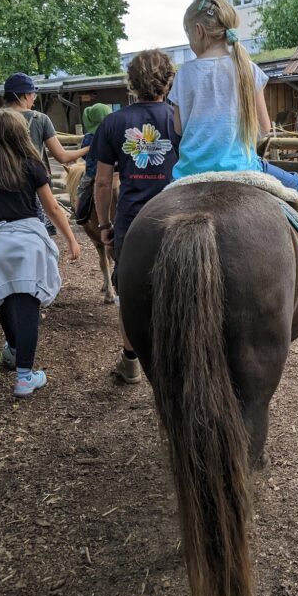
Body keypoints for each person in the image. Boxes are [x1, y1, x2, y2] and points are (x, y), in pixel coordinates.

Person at [171, 0, 298, 276]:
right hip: (242, 168)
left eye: (188, 34)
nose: (190, 41)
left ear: (199, 31)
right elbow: (265, 127)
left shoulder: (184, 73)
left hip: (190, 173)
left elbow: (178, 129)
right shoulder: (246, 69)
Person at [0, 109, 81, 397]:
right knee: (28, 306)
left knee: (5, 299)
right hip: (29, 242)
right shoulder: (32, 166)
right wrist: (71, 239)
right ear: (21, 133)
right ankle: (25, 376)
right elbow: (53, 208)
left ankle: (15, 349)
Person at [93, 50, 179, 382]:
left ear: (132, 82)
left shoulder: (113, 123)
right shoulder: (178, 119)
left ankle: (130, 363)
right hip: (176, 214)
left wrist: (103, 224)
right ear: (168, 81)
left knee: (129, 291)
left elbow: (102, 181)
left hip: (131, 219)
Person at [2, 73, 90, 235]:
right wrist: (88, 148)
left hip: (2, 184)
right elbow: (62, 157)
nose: (34, 98)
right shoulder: (39, 119)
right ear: (24, 95)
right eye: (33, 94)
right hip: (35, 185)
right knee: (41, 233)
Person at [74, 102, 112, 225]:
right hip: (115, 170)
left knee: (81, 190)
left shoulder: (89, 137)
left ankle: (78, 214)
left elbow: (85, 156)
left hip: (93, 172)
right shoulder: (113, 133)